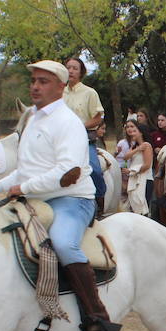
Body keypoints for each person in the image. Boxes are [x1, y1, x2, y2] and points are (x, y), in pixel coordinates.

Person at [0, 60, 119, 331]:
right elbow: (25, 170)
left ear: (61, 87)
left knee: (63, 242)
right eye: (33, 80)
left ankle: (97, 320)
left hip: (72, 199)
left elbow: (68, 172)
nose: (35, 86)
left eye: (43, 81)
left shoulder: (68, 122)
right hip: (37, 198)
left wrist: (22, 188)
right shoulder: (33, 119)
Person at [61, 56, 107, 216]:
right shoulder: (59, 92)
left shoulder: (89, 92)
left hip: (83, 138)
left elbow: (98, 117)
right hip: (61, 139)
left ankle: (100, 202)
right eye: (68, 67)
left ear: (81, 72)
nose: (71, 71)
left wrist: (79, 126)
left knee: (94, 169)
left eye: (75, 68)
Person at [119, 119, 154, 216]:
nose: (132, 133)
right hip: (135, 179)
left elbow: (147, 165)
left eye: (135, 131)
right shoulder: (135, 146)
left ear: (141, 133)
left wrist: (131, 171)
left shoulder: (147, 146)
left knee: (142, 209)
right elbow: (126, 157)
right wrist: (137, 149)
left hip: (145, 180)